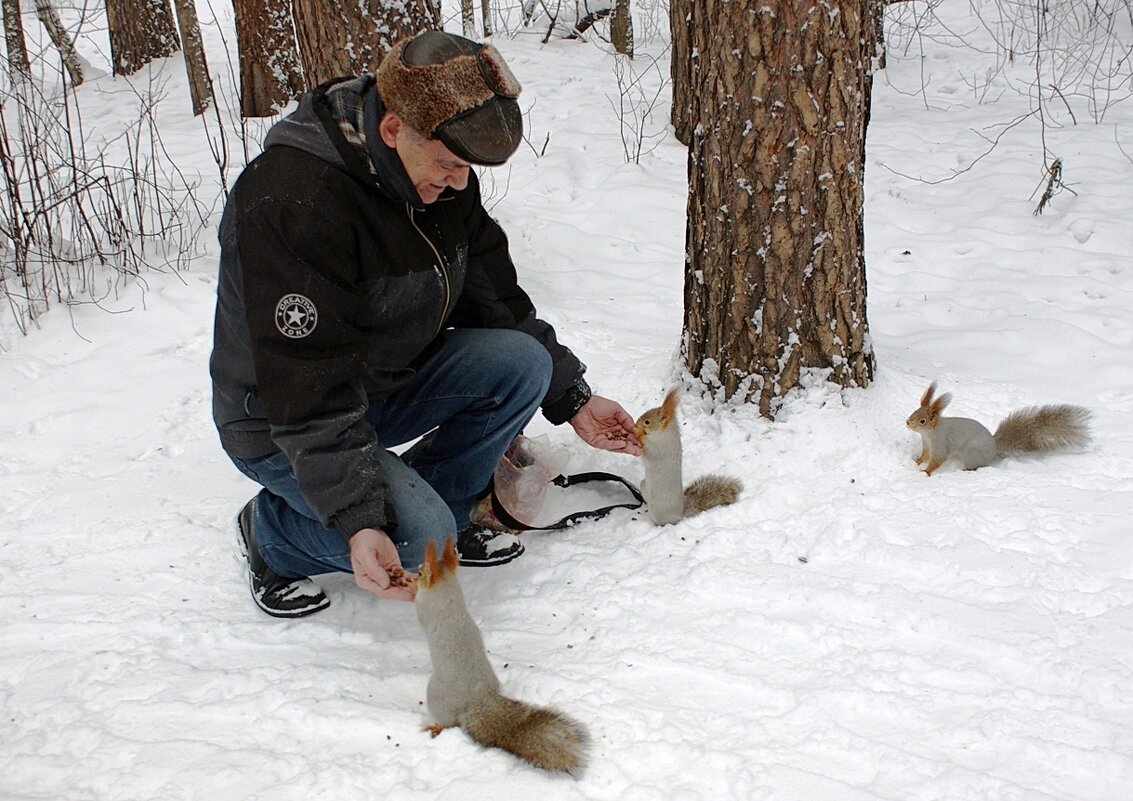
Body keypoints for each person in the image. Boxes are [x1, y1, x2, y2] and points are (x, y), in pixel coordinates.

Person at [210, 30, 641, 619]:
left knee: (523, 364)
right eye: (449, 165)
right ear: (393, 130)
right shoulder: (294, 204)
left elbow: (495, 298)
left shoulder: (435, 176)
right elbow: (308, 388)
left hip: (379, 386)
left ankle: (447, 510)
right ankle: (274, 536)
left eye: (467, 168)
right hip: (283, 420)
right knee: (420, 543)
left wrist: (573, 397)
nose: (460, 183)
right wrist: (359, 517)